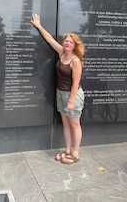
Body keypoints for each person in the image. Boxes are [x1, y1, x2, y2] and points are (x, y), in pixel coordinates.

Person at [31, 13, 85, 164]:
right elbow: (49, 39)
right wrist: (39, 26)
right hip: (60, 94)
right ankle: (67, 150)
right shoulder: (61, 52)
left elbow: (75, 83)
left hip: (72, 96)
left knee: (74, 124)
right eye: (66, 41)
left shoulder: (75, 60)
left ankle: (75, 153)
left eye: (70, 42)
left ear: (75, 45)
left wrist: (71, 101)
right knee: (66, 123)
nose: (67, 43)